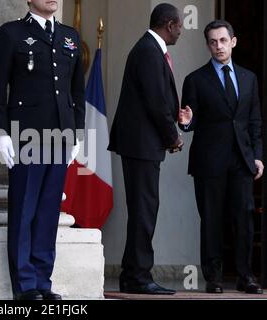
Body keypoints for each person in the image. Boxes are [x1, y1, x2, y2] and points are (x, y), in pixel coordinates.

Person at [0, 0, 85, 300]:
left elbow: (76, 89)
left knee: (47, 213)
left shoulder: (71, 36)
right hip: (25, 135)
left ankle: (43, 281)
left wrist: (77, 131)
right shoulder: (11, 33)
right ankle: (25, 285)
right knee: (24, 210)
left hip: (60, 135)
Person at [179, 20, 263, 294]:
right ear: (208, 45)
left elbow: (254, 122)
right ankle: (213, 278)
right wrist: (186, 123)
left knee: (244, 219)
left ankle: (245, 275)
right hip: (209, 161)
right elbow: (188, 122)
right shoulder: (195, 79)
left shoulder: (249, 78)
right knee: (211, 220)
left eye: (223, 40)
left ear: (233, 42)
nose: (218, 46)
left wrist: (258, 157)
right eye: (213, 42)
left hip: (242, 159)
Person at [108, 3, 183, 295]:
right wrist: (172, 136)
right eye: (179, 26)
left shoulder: (149, 49)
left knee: (144, 209)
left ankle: (133, 273)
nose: (181, 32)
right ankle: (138, 277)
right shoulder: (149, 51)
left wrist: (176, 119)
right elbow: (155, 101)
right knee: (144, 210)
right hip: (141, 145)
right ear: (170, 24)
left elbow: (159, 100)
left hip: (143, 144)